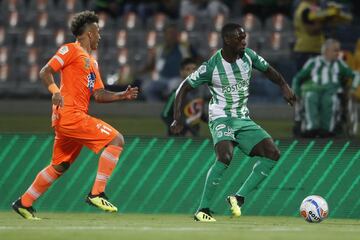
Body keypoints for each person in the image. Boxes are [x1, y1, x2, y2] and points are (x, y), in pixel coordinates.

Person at [12, 11, 139, 220]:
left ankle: (24, 203)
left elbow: (98, 94)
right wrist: (55, 92)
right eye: (98, 31)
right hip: (70, 114)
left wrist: (121, 96)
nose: (100, 36)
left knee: (60, 165)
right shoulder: (70, 49)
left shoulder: (93, 63)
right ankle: (97, 193)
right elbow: (45, 71)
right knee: (116, 139)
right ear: (89, 33)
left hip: (72, 118)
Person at [171, 23, 296, 222]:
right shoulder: (211, 66)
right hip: (221, 117)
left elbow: (269, 71)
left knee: (272, 153)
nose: (244, 41)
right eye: (240, 38)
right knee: (225, 156)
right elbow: (183, 87)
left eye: (245, 37)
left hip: (242, 118)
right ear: (227, 40)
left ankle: (238, 197)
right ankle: (202, 209)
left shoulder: (249, 57)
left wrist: (283, 85)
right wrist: (177, 118)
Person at [292, 39, 360, 138]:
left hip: (331, 91)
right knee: (310, 97)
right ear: (326, 51)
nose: (338, 53)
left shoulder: (339, 64)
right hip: (313, 89)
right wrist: (296, 92)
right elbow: (298, 78)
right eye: (335, 50)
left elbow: (356, 75)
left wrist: (353, 89)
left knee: (329, 100)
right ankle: (311, 128)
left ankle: (327, 129)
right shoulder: (313, 62)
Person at [161, 58, 209, 137]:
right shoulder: (176, 93)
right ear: (182, 73)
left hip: (194, 135)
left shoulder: (200, 92)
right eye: (188, 69)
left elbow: (198, 113)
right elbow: (165, 114)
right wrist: (177, 127)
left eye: (194, 69)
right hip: (178, 138)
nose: (192, 72)